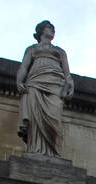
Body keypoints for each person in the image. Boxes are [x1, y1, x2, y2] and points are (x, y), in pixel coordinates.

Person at [16, 20, 75, 158]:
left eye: (53, 28)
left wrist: (70, 85)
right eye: (49, 27)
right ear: (41, 31)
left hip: (56, 84)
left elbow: (67, 73)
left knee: (54, 117)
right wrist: (19, 80)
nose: (52, 30)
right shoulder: (32, 49)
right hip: (35, 82)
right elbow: (24, 67)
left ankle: (53, 151)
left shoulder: (59, 51)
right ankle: (35, 149)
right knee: (35, 118)